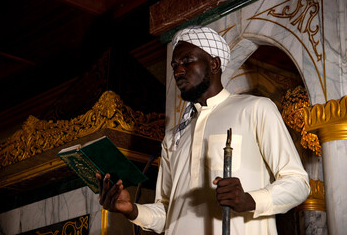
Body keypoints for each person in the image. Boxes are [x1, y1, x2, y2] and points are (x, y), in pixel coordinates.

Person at [96, 26, 310, 234]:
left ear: (214, 64)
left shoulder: (255, 109)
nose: (178, 71)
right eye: (174, 65)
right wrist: (132, 209)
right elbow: (168, 214)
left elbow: (298, 184)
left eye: (187, 61)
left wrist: (250, 199)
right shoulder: (174, 137)